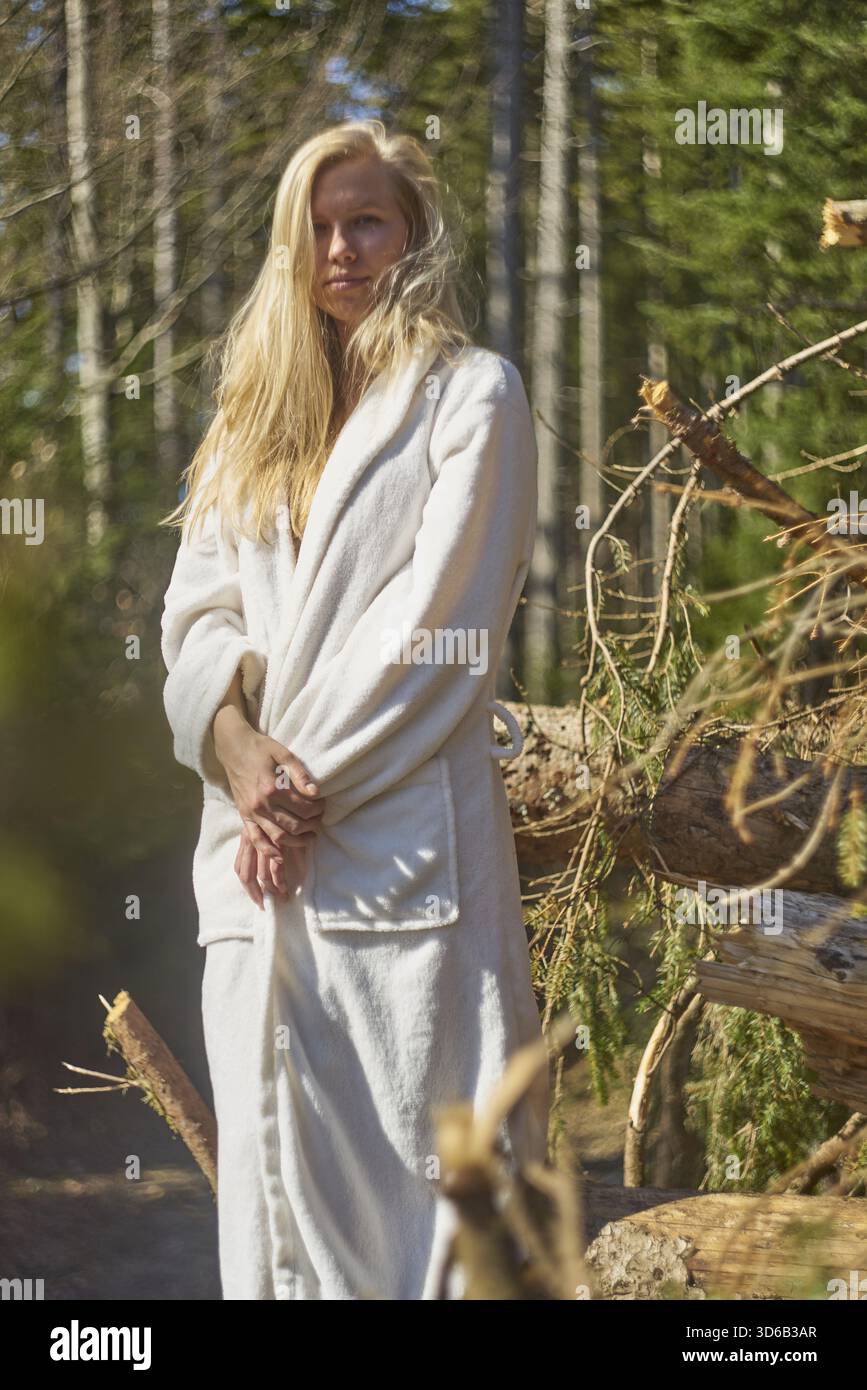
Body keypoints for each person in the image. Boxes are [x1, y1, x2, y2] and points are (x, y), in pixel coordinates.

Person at [159, 118, 550, 1300]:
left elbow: (442, 640)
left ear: (412, 232)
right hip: (257, 878)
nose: (342, 247)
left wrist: (291, 787)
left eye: (367, 219)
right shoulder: (251, 422)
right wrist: (232, 751)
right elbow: (195, 627)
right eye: (319, 227)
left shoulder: (472, 396)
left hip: (398, 863)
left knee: (437, 1220)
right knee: (275, 1234)